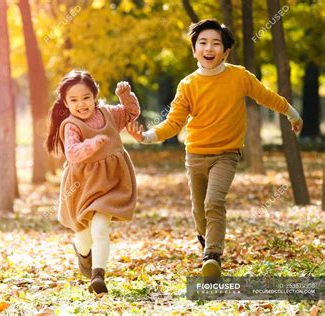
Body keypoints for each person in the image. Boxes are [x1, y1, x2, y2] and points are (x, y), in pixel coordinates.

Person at [126, 19, 303, 278]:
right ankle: (205, 239)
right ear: (195, 50)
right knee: (200, 211)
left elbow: (266, 96)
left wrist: (293, 114)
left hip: (226, 154)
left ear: (226, 51)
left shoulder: (239, 76)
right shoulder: (188, 85)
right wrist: (147, 136)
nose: (209, 48)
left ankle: (212, 255)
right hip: (195, 154)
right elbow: (174, 122)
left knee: (214, 202)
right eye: (203, 43)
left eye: (216, 44)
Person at [45, 69, 139, 294]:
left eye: (86, 97)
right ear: (66, 104)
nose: (81, 104)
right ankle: (83, 253)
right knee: (84, 236)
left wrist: (125, 96)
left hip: (111, 183)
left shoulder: (108, 113)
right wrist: (93, 144)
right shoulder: (70, 125)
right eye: (74, 100)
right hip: (83, 185)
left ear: (95, 96)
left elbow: (131, 113)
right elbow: (73, 153)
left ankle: (98, 276)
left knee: (100, 227)